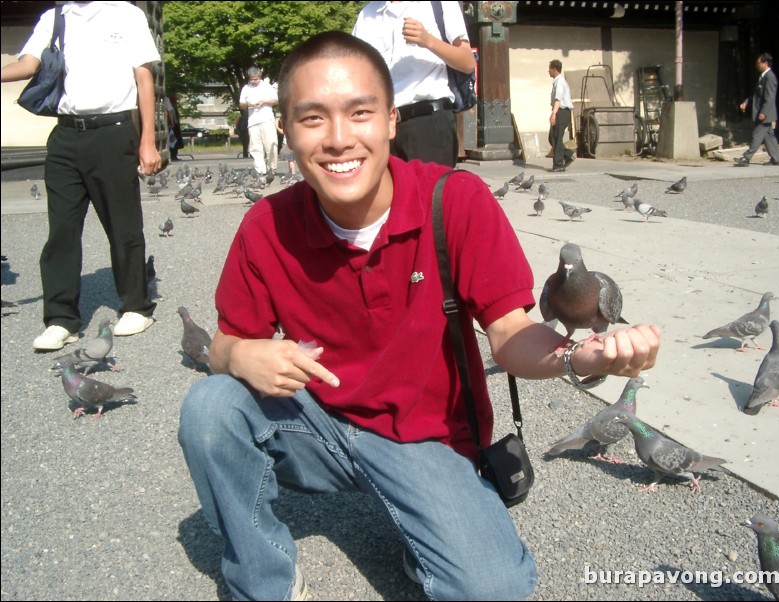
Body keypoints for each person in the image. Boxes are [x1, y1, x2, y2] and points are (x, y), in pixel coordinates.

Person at [177, 31, 660, 601]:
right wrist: (238, 353)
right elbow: (227, 342)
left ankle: (423, 524)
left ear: (390, 120)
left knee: (493, 589)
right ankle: (263, 582)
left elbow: (508, 334)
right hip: (319, 426)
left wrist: (579, 355)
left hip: (426, 438)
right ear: (285, 128)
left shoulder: (453, 201)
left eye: (359, 113)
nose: (338, 139)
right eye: (312, 119)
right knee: (212, 407)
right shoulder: (266, 227)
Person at [1, 1, 160, 350]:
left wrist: (148, 140)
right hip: (65, 135)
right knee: (61, 231)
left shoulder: (126, 13)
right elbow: (29, 64)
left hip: (114, 130)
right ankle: (61, 320)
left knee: (123, 226)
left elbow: (144, 79)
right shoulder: (55, 17)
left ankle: (136, 306)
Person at [352, 1, 476, 167]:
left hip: (428, 123)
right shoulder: (368, 14)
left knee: (430, 191)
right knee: (385, 193)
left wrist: (428, 40)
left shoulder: (439, 4)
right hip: (381, 126)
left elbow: (467, 62)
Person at [734, 52, 779, 167]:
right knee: (769, 136)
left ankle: (746, 158)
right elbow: (755, 94)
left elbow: (769, 97)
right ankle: (777, 159)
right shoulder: (763, 77)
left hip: (765, 113)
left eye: (758, 62)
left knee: (756, 135)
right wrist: (746, 102)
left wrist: (763, 112)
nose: (757, 64)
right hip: (762, 112)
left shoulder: (770, 77)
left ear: (765, 63)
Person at [239, 66, 278, 181]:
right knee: (256, 148)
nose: (253, 81)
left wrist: (264, 102)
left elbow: (275, 100)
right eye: (251, 79)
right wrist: (248, 104)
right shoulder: (246, 88)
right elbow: (241, 104)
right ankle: (260, 170)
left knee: (271, 145)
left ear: (260, 77)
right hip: (253, 121)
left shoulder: (267, 86)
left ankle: (272, 167)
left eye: (255, 79)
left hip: (267, 119)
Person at [548, 59, 575, 172]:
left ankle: (559, 165)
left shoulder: (560, 82)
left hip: (562, 111)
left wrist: (554, 113)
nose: (548, 71)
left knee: (557, 137)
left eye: (550, 69)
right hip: (560, 111)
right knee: (552, 137)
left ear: (555, 69)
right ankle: (568, 154)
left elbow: (558, 99)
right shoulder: (558, 81)